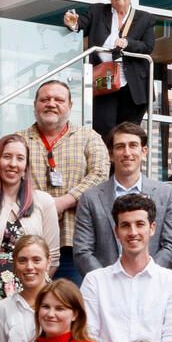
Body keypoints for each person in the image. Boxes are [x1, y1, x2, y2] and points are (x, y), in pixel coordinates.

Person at [79, 192, 172, 342]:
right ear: (116, 231)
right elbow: (88, 337)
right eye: (125, 225)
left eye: (140, 224)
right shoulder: (94, 281)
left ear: (152, 228)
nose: (133, 232)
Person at [21, 78, 109, 280]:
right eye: (45, 99)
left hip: (74, 241)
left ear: (70, 106)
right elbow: (7, 179)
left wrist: (63, 202)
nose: (51, 103)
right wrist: (41, 206)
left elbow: (100, 174)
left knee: (69, 306)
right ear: (35, 105)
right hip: (28, 242)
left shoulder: (89, 137)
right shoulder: (19, 140)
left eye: (58, 99)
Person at [70, 121, 172, 274]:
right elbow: (83, 251)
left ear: (144, 151)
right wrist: (106, 281)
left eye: (133, 145)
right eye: (120, 146)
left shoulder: (166, 194)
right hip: (105, 290)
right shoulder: (90, 198)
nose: (127, 153)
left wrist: (146, 275)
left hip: (151, 287)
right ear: (110, 154)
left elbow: (171, 246)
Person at [0, 134, 60, 301]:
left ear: (26, 167)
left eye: (20, 158)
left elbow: (53, 256)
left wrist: (33, 289)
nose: (13, 164)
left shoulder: (44, 202)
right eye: (7, 157)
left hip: (34, 293)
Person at [66, 0, 155, 134]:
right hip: (103, 79)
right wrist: (72, 23)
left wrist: (128, 43)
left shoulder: (145, 18)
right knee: (103, 128)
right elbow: (81, 24)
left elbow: (148, 46)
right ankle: (105, 159)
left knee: (128, 132)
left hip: (133, 84)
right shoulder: (97, 11)